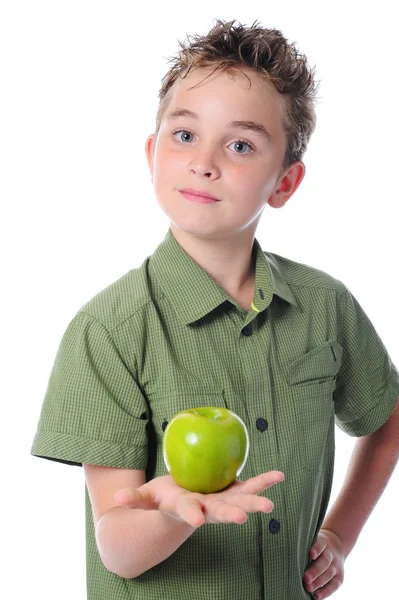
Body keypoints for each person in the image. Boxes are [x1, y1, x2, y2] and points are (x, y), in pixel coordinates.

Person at [31, 18, 399, 600]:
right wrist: (176, 508)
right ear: (152, 153)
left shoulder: (326, 306)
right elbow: (118, 549)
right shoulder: (108, 331)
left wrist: (340, 535)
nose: (205, 161)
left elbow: (387, 419)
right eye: (184, 136)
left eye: (241, 145)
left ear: (285, 182)